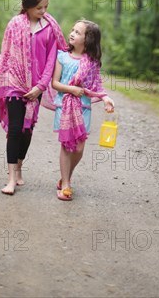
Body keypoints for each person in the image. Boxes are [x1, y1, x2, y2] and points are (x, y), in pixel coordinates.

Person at [0, 0, 66, 196]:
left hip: (35, 86)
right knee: (15, 129)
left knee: (27, 130)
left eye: (45, 7)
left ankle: (19, 166)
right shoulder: (15, 25)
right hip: (13, 82)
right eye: (39, 8)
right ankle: (10, 179)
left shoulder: (49, 28)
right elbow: (5, 55)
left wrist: (40, 87)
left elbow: (50, 62)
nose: (43, 12)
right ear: (27, 6)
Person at [51, 19, 115, 201]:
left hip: (83, 108)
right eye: (72, 30)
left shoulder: (92, 62)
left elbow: (98, 85)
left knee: (79, 147)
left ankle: (66, 177)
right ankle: (65, 184)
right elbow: (55, 83)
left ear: (88, 40)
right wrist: (71, 89)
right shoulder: (62, 56)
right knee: (66, 145)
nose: (71, 33)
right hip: (64, 106)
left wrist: (106, 98)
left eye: (78, 32)